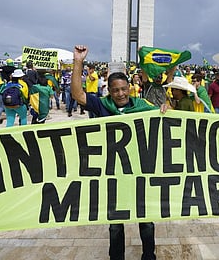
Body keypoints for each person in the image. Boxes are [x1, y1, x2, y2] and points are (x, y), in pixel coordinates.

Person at [71, 45, 167, 260]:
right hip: (113, 175)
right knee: (115, 225)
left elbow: (164, 116)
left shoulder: (142, 105)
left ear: (130, 88)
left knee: (146, 220)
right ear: (109, 91)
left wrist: (165, 109)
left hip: (141, 173)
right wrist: (78, 61)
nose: (120, 94)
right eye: (115, 90)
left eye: (124, 89)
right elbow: (77, 94)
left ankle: (149, 256)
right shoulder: (102, 105)